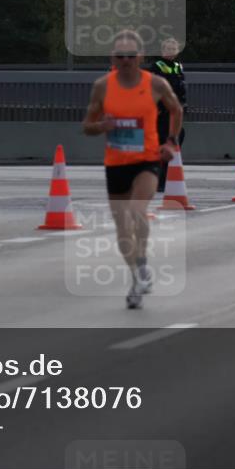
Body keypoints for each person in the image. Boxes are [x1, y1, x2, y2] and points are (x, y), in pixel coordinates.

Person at [83, 29, 183, 309]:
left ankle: (141, 262)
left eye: (130, 55)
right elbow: (87, 126)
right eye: (120, 56)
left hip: (146, 160)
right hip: (116, 163)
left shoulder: (156, 84)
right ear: (112, 58)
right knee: (122, 226)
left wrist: (171, 141)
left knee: (138, 210)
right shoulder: (102, 86)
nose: (125, 60)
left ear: (140, 56)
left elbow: (176, 109)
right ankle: (138, 274)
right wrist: (102, 126)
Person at [148, 38, 188, 192]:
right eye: (167, 49)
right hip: (161, 112)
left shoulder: (178, 67)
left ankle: (167, 178)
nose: (170, 52)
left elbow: (181, 89)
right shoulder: (157, 66)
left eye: (173, 49)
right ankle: (158, 180)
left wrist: (183, 104)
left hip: (174, 111)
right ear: (162, 50)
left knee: (177, 138)